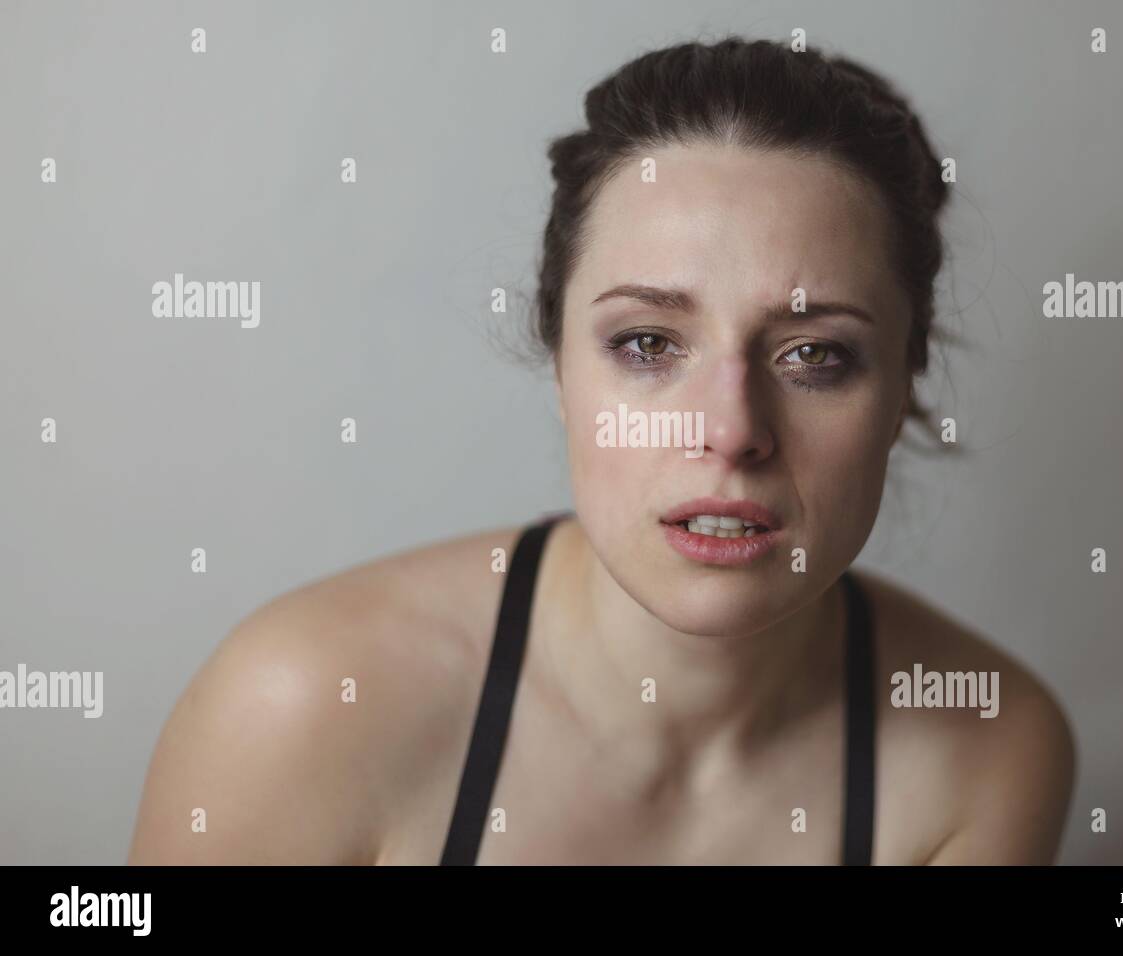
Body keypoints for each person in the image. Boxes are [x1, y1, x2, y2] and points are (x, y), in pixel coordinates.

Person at [129, 36, 1074, 865]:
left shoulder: (987, 750)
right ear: (559, 364)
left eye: (814, 355)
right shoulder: (304, 707)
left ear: (906, 378)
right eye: (649, 345)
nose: (733, 429)